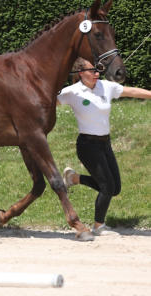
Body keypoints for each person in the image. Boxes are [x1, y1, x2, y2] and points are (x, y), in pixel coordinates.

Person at [57, 57, 151, 235]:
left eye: (97, 69)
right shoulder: (72, 92)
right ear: (80, 73)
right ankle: (98, 226)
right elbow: (47, 102)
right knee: (107, 186)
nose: (96, 73)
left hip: (105, 144)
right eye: (92, 70)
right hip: (87, 146)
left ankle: (74, 179)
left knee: (115, 189)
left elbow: (132, 91)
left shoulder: (106, 86)